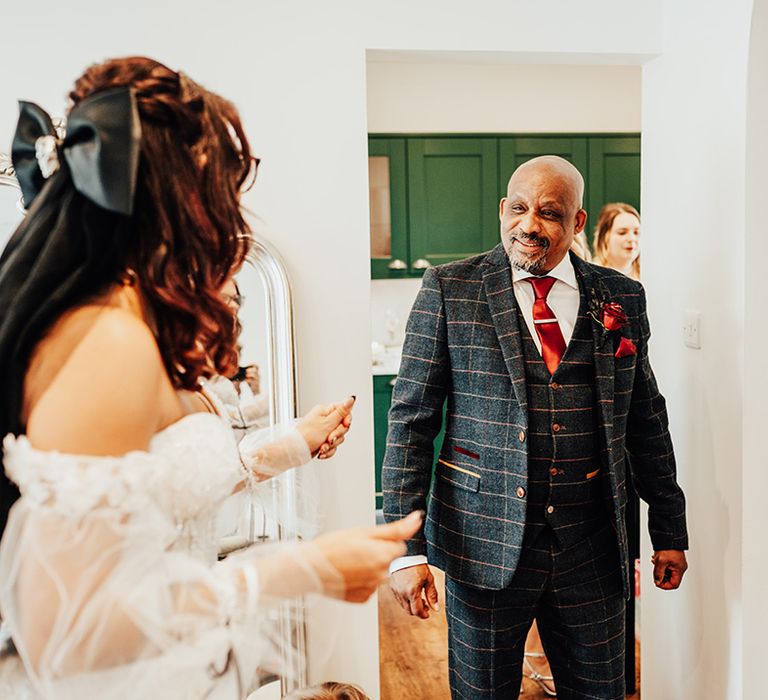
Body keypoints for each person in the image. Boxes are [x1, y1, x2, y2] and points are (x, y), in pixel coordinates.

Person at [0, 56, 421, 698]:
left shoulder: (121, 314)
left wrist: (288, 445)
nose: (230, 213)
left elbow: (150, 488)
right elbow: (70, 630)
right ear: (174, 199)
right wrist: (302, 569)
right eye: (220, 189)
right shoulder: (107, 339)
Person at [383, 155, 688, 699]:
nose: (529, 225)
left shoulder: (621, 296)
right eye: (519, 208)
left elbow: (645, 417)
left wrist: (667, 529)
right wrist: (406, 550)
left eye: (549, 213)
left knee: (601, 690)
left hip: (594, 544)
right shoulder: (450, 289)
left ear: (576, 223)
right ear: (503, 209)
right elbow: (411, 421)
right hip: (484, 543)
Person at [592, 202, 641, 280]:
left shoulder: (648, 274)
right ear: (605, 237)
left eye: (636, 232)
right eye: (622, 233)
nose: (631, 239)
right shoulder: (591, 275)